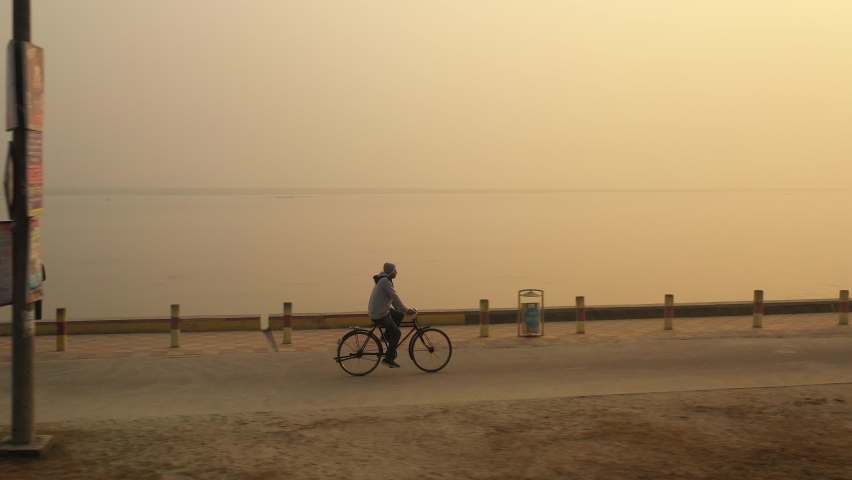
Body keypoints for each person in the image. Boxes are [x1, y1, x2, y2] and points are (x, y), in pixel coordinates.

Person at [368, 262, 415, 368]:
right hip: (380, 314)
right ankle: (388, 358)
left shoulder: (385, 279)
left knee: (398, 315)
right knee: (397, 333)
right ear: (390, 272)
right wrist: (406, 309)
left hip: (381, 310)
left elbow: (392, 298)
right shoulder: (385, 281)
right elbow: (395, 297)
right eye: (395, 271)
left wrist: (401, 310)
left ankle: (387, 336)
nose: (396, 272)